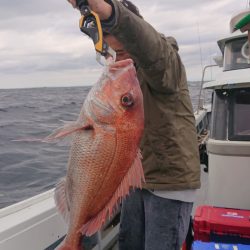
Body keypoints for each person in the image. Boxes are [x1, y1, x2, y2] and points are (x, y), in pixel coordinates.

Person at [67, 0, 201, 249]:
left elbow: (148, 47)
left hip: (169, 183)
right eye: (105, 41)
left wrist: (108, 13)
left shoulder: (164, 60)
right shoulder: (124, 73)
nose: (112, 49)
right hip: (136, 180)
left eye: (112, 33)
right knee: (128, 244)